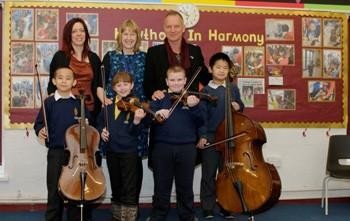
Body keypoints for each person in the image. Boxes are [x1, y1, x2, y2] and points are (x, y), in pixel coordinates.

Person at [102, 19, 148, 216]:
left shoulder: (145, 57)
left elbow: (150, 84)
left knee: (133, 164)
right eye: (125, 34)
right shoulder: (110, 56)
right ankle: (118, 209)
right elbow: (100, 84)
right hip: (116, 112)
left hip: (137, 112)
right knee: (117, 165)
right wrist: (104, 98)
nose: (129, 38)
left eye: (133, 34)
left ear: (138, 37)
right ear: (119, 36)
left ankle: (131, 209)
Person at [34, 67, 91, 221]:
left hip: (76, 155)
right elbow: (39, 124)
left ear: (74, 82)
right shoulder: (49, 103)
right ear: (54, 81)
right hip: (56, 153)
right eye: (60, 78)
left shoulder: (79, 103)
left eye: (67, 78)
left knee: (74, 190)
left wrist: (86, 123)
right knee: (54, 191)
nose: (64, 81)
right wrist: (40, 130)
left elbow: (88, 125)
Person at [148, 65, 204, 221]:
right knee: (161, 186)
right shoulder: (160, 98)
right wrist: (156, 114)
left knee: (185, 186)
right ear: (167, 81)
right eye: (172, 80)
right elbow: (148, 118)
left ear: (186, 80)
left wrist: (194, 108)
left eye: (180, 79)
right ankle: (158, 215)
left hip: (186, 148)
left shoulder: (192, 99)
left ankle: (187, 215)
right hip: (162, 147)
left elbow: (201, 121)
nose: (176, 83)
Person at [197, 52, 244, 219]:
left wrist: (238, 106)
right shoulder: (205, 92)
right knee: (208, 175)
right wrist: (202, 136)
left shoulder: (233, 89)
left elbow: (241, 108)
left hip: (230, 138)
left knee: (226, 174)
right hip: (211, 138)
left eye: (225, 68)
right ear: (211, 69)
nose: (222, 71)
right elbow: (201, 118)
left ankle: (226, 205)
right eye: (218, 67)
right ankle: (208, 207)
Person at [96, 72, 148, 221]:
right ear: (113, 88)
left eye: (126, 84)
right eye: (118, 85)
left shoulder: (136, 106)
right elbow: (100, 123)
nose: (122, 88)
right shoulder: (108, 106)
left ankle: (129, 217)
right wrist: (102, 131)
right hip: (112, 151)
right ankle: (117, 216)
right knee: (116, 184)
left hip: (129, 152)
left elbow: (135, 132)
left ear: (132, 85)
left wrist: (137, 121)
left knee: (130, 187)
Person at [144, 10, 211, 101]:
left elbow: (205, 78)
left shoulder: (195, 51)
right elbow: (148, 84)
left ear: (183, 28)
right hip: (164, 106)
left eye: (176, 26)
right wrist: (154, 92)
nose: (172, 30)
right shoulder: (154, 52)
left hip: (190, 106)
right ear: (164, 28)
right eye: (169, 27)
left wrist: (221, 74)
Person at [48, 17, 103, 126]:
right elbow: (52, 86)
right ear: (69, 35)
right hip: (67, 110)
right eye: (74, 31)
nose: (79, 34)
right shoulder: (60, 57)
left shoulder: (94, 58)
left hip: (91, 111)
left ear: (86, 34)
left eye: (82, 31)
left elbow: (99, 85)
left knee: (89, 142)